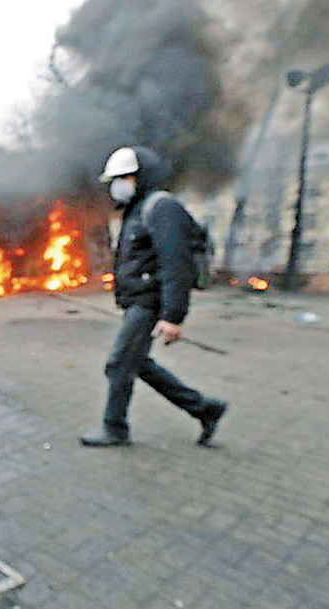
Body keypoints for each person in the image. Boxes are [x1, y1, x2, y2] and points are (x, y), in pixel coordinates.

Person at [79, 146, 228, 447]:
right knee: (138, 362)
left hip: (149, 302)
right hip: (138, 300)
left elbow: (176, 263)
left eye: (124, 178)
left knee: (119, 363)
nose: (117, 186)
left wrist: (173, 316)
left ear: (141, 176)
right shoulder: (138, 208)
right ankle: (205, 409)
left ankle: (115, 428)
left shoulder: (161, 207)